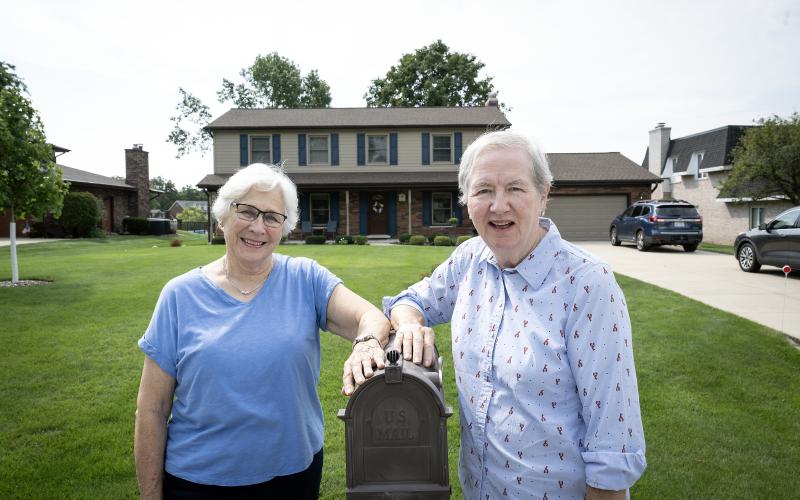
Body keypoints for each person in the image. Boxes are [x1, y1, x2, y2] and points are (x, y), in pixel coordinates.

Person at [362, 131, 647, 499]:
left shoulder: (588, 284)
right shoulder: (469, 260)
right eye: (483, 190)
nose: (498, 206)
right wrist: (410, 323)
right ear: (467, 201)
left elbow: (613, 444)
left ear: (543, 195)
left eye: (515, 188)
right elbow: (407, 300)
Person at [135, 163, 390, 499]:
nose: (258, 227)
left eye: (272, 217)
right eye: (247, 212)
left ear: (284, 227)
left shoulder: (305, 279)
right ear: (223, 216)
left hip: (293, 477)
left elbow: (369, 316)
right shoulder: (179, 295)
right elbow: (152, 408)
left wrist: (367, 342)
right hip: (198, 482)